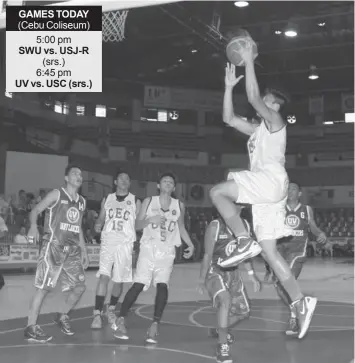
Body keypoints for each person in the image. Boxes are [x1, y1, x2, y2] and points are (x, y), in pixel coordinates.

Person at [209, 43, 317, 340]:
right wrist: (229, 87)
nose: (262, 105)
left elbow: (255, 97)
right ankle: (300, 301)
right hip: (271, 192)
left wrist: (248, 61)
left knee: (218, 192)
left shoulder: (275, 123)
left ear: (275, 107)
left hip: (269, 181)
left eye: (268, 102)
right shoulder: (258, 129)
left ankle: (243, 239)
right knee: (269, 252)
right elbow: (228, 119)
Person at [113, 173, 195, 344]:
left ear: (173, 188)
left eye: (171, 182)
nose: (167, 183)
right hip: (148, 248)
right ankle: (120, 319)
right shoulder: (149, 201)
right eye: (164, 181)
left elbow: (181, 227)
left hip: (167, 251)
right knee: (139, 284)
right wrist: (151, 219)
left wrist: (190, 244)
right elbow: (136, 225)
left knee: (162, 285)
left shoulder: (179, 205)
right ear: (158, 185)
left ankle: (155, 324)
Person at [24, 165, 88, 342]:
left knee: (80, 287)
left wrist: (84, 250)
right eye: (75, 173)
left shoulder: (82, 201)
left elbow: (78, 228)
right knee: (44, 289)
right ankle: (30, 327)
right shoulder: (56, 194)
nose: (79, 176)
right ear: (66, 178)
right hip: (54, 247)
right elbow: (35, 210)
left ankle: (62, 315)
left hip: (73, 250)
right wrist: (33, 226)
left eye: (81, 174)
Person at [197, 211, 261, 363]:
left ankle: (219, 330)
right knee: (225, 300)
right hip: (215, 271)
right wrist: (201, 279)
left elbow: (245, 253)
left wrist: (252, 274)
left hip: (234, 274)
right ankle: (222, 346)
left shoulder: (244, 225)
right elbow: (207, 255)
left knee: (243, 313)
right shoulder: (216, 226)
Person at [265, 182, 327, 336]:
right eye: (288, 188)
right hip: (280, 252)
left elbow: (311, 225)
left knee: (287, 281)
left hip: (298, 252)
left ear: (299, 193)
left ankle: (296, 315)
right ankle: (295, 314)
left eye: (293, 188)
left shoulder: (306, 209)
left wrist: (319, 233)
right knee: (279, 287)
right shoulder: (279, 209)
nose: (290, 191)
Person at [91, 170, 141, 329]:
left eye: (127, 178)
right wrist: (98, 224)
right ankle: (97, 314)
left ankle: (110, 308)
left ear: (130, 183)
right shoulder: (107, 199)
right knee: (104, 276)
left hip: (125, 243)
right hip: (108, 241)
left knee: (118, 280)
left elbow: (139, 223)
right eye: (121, 178)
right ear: (115, 182)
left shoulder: (135, 201)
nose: (124, 181)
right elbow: (100, 218)